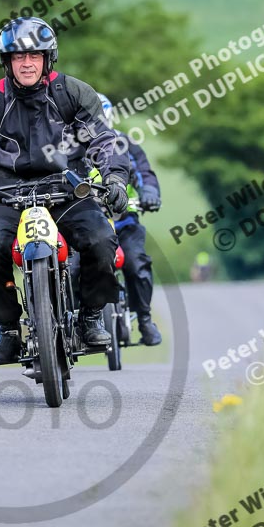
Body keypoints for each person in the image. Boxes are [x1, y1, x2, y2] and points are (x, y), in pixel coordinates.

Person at [0, 17, 130, 365]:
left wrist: (116, 179)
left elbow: (106, 142)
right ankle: (8, 329)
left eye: (34, 55)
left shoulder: (74, 93)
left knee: (102, 240)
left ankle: (90, 315)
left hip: (68, 189)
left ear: (48, 58)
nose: (26, 63)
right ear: (7, 62)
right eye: (17, 57)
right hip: (6, 193)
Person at [96, 94, 162, 346]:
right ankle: (80, 320)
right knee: (75, 267)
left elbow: (145, 173)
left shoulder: (124, 144)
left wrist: (150, 193)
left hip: (124, 222)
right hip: (86, 223)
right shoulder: (70, 148)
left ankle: (145, 319)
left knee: (136, 264)